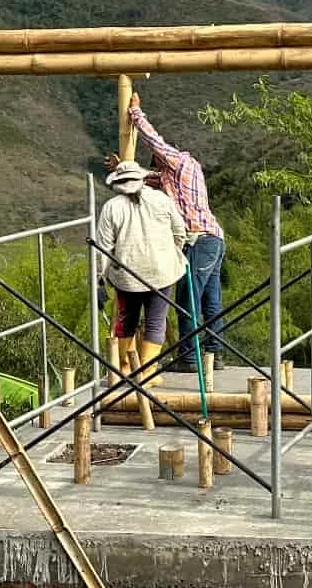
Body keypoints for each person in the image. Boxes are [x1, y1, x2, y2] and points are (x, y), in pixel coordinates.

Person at [129, 94, 225, 371]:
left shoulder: (178, 162)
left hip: (198, 239)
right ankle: (213, 354)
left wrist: (136, 113)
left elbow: (154, 140)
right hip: (214, 238)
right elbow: (146, 178)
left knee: (188, 299)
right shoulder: (184, 172)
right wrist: (123, 170)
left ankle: (190, 358)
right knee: (211, 301)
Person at [93, 159, 188, 408]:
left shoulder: (112, 208)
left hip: (127, 274)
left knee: (127, 321)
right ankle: (146, 374)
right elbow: (180, 231)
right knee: (155, 321)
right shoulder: (161, 199)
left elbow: (102, 248)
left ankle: (126, 368)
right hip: (162, 271)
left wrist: (98, 281)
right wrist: (171, 252)